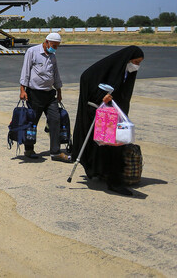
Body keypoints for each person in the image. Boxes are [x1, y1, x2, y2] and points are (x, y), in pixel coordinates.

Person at [72, 46, 145, 196]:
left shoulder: (125, 72)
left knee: (108, 145)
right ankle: (114, 182)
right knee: (112, 146)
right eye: (136, 62)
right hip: (99, 113)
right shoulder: (109, 68)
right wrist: (101, 96)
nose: (137, 66)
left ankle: (102, 173)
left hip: (111, 115)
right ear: (128, 59)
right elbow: (87, 78)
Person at [19, 32, 69, 161]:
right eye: (53, 45)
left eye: (57, 46)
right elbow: (25, 71)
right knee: (32, 123)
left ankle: (55, 152)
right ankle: (29, 150)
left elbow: (56, 74)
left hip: (50, 94)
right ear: (46, 42)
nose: (55, 48)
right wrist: (22, 90)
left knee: (55, 120)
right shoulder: (32, 52)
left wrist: (59, 91)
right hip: (34, 94)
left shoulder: (52, 56)